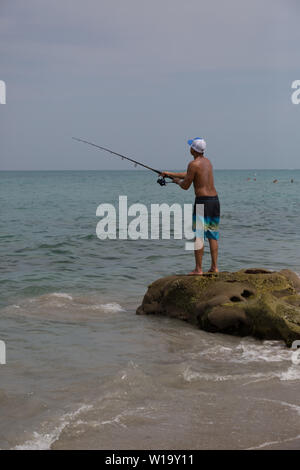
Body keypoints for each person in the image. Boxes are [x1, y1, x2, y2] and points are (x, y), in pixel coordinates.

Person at [162, 137, 220, 275]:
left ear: (193, 149)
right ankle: (214, 267)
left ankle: (198, 269)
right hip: (214, 201)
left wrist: (176, 182)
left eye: (190, 146)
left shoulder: (193, 164)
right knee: (212, 235)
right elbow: (190, 175)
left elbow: (186, 185)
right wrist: (169, 173)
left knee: (199, 235)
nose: (189, 148)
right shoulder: (207, 163)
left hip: (202, 202)